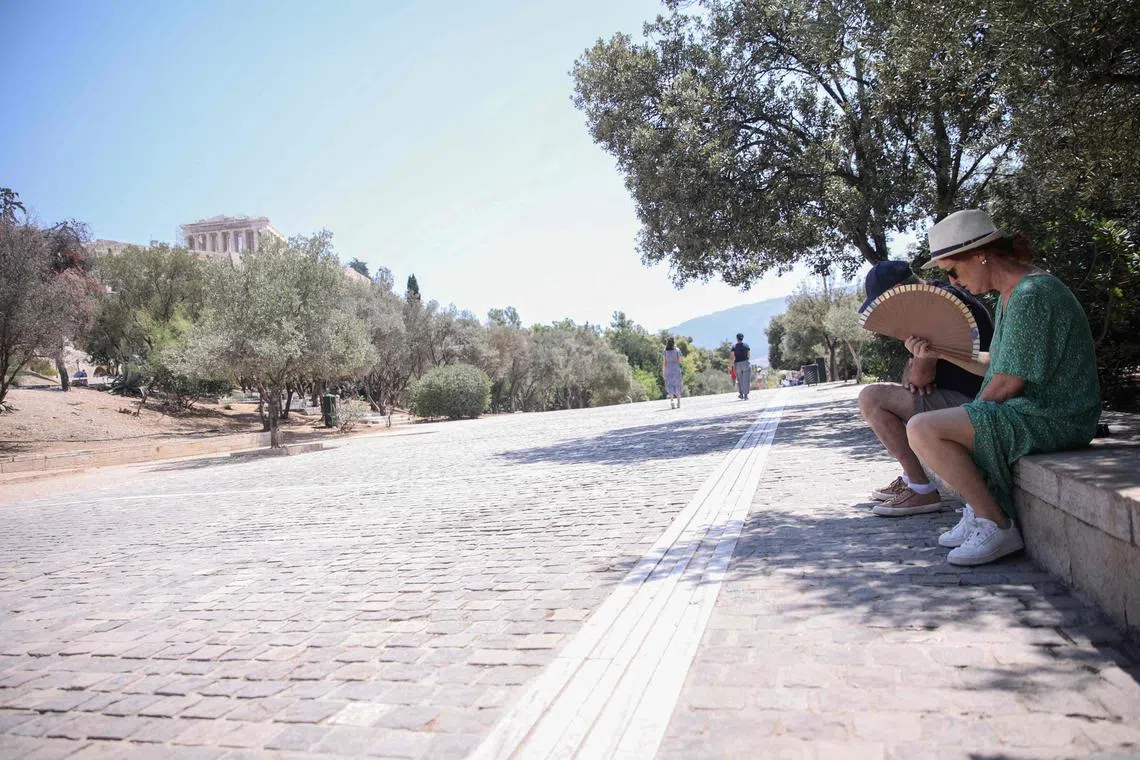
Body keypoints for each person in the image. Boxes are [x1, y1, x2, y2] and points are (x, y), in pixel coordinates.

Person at [905, 209, 1100, 566]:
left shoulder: (1032, 294)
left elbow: (1009, 382)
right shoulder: (1014, 293)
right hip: (1035, 410)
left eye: (953, 270)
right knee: (932, 427)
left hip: (1056, 416)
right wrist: (939, 352)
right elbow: (997, 365)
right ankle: (980, 510)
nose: (953, 282)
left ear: (981, 254)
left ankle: (996, 523)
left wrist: (970, 418)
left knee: (923, 428)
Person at [857, 260, 995, 517]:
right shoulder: (939, 298)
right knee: (881, 395)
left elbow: (918, 379)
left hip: (976, 401)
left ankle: (921, 488)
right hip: (968, 396)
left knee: (871, 398)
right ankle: (911, 481)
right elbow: (908, 380)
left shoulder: (934, 312)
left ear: (897, 290)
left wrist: (918, 364)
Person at [662, 337, 684, 409]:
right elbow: (680, 361)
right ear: (674, 342)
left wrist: (663, 372)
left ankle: (672, 401)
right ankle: (678, 403)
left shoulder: (665, 351)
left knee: (670, 385)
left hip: (668, 369)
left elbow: (664, 363)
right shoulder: (677, 350)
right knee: (677, 385)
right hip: (676, 369)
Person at [730, 333, 751, 399]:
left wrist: (731, 365)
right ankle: (746, 395)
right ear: (742, 338)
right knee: (746, 379)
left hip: (737, 364)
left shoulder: (734, 347)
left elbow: (732, 357)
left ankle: (741, 393)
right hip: (745, 363)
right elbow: (749, 355)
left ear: (737, 338)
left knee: (739, 379)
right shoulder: (746, 345)